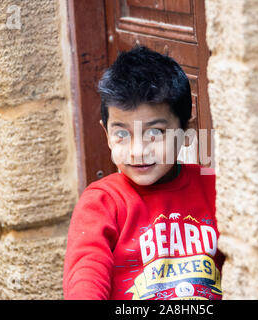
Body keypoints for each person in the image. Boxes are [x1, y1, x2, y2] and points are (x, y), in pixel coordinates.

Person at [63, 45, 224, 300]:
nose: (137, 151)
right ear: (107, 135)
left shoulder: (215, 189)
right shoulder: (102, 203)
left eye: (155, 133)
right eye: (122, 134)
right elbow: (86, 274)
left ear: (185, 133)